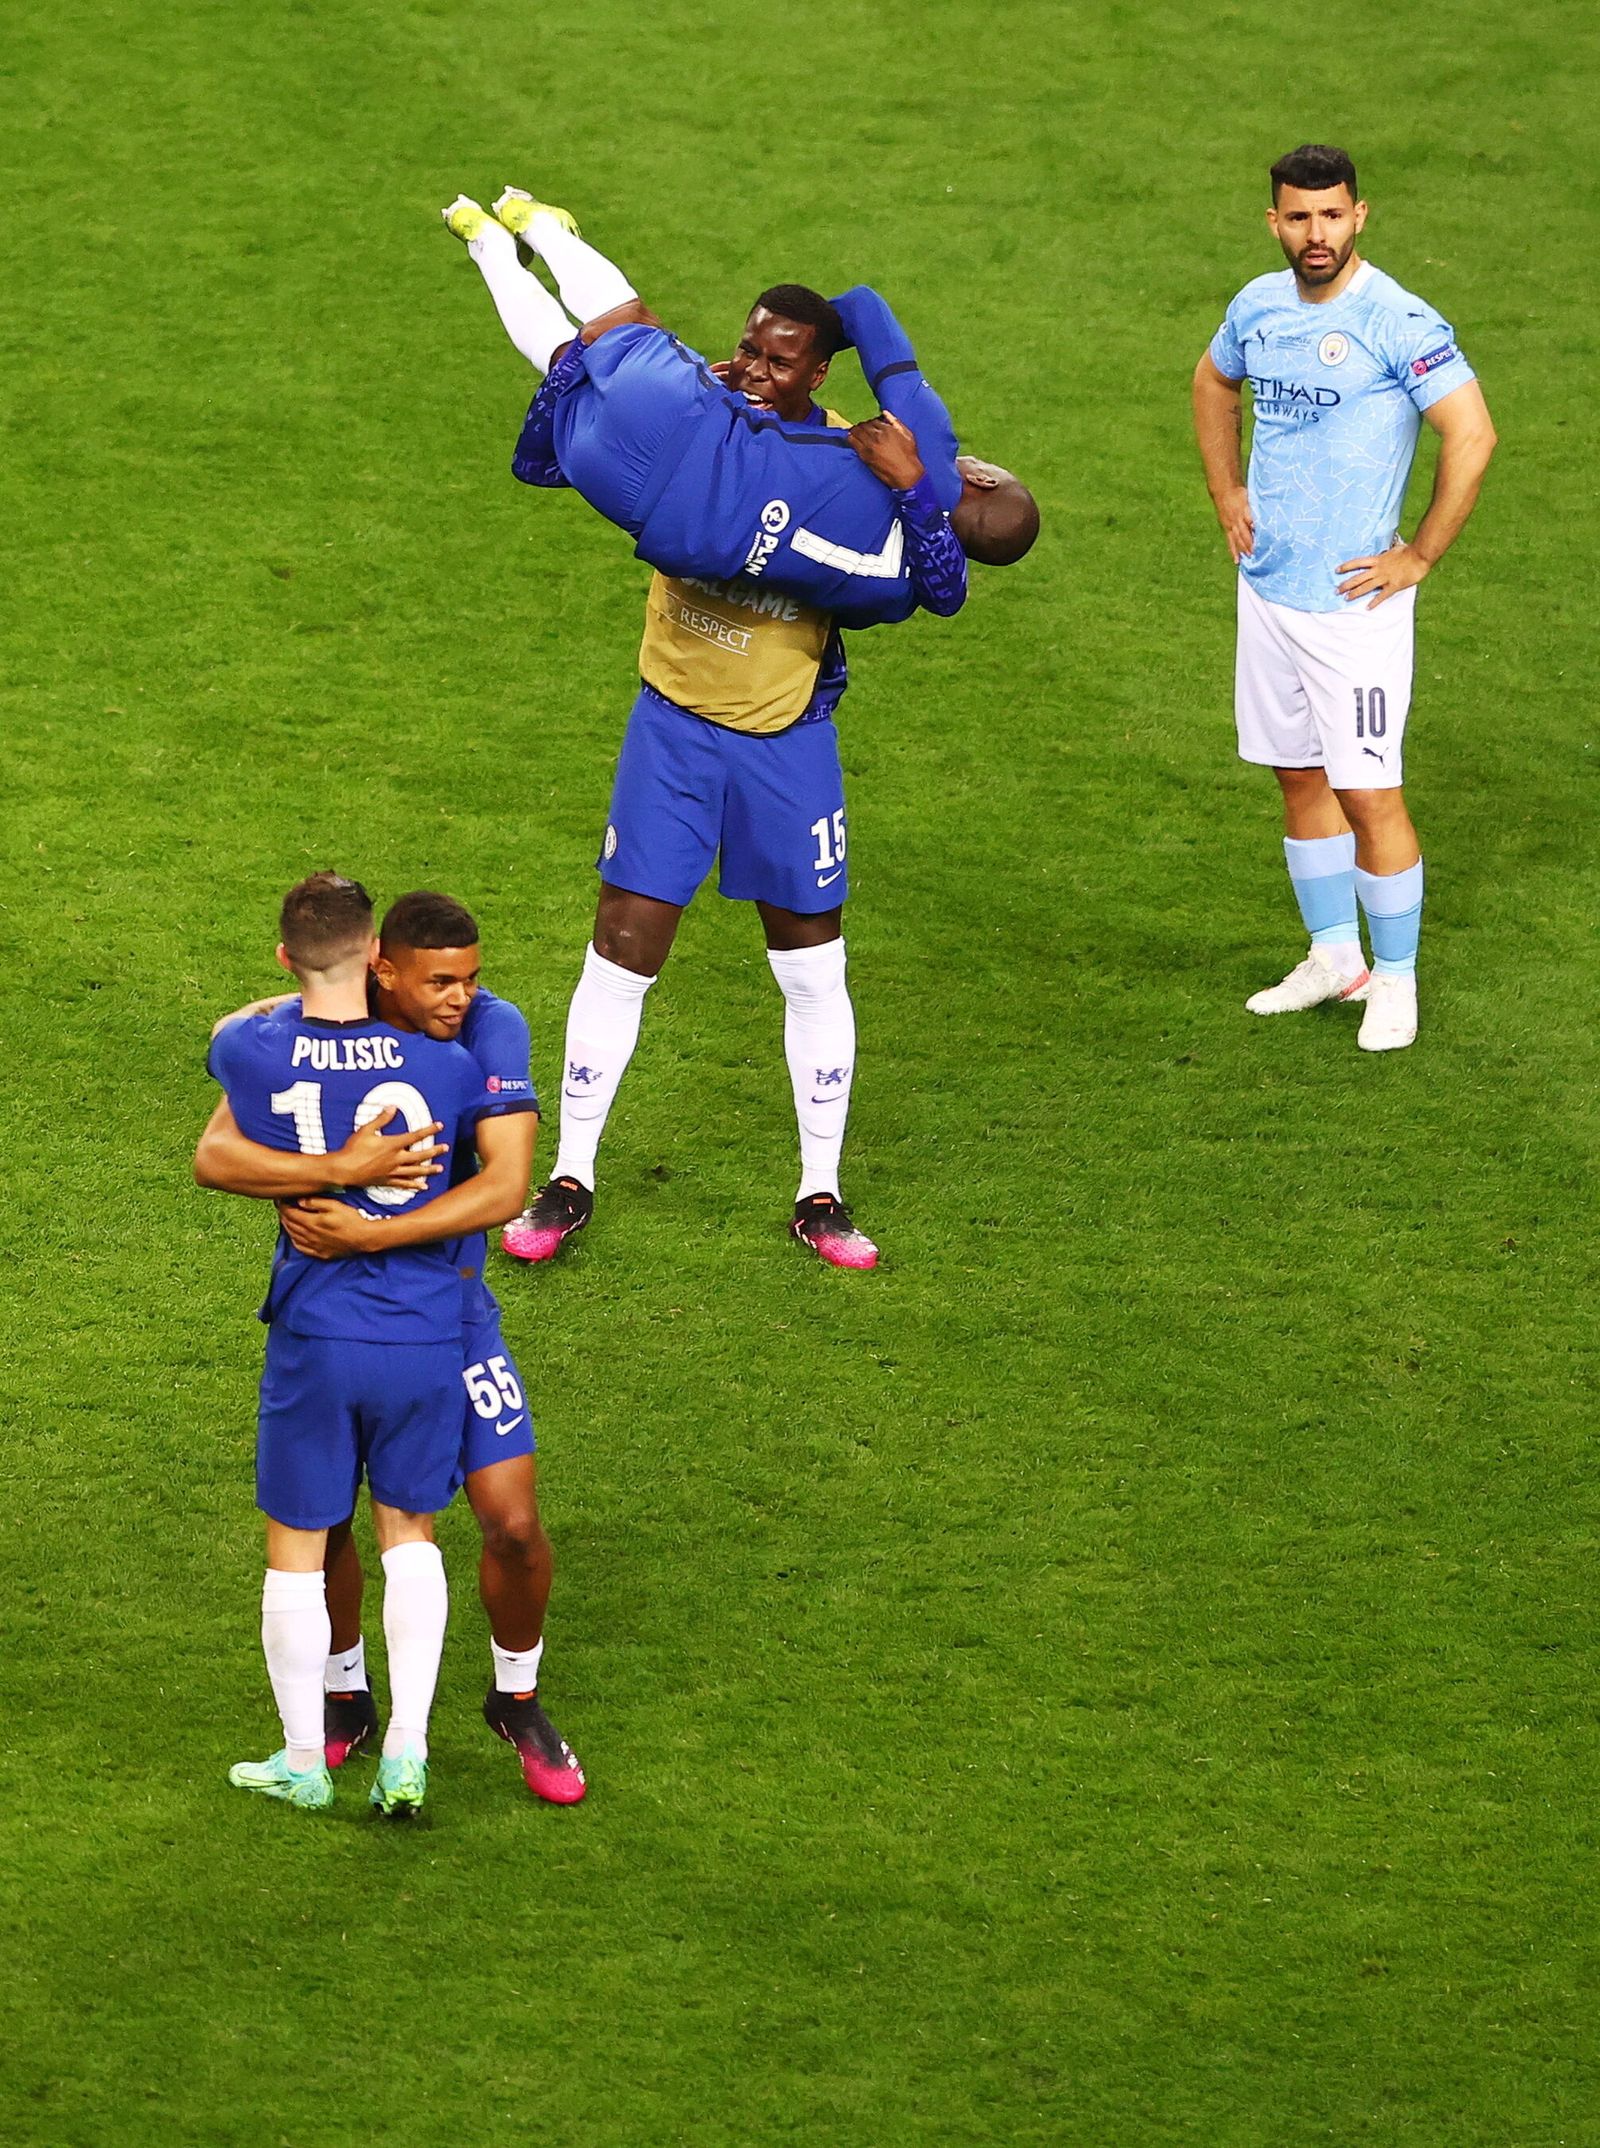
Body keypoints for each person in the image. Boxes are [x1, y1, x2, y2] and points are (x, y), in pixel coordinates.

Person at [445, 189, 1036, 1264]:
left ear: (821, 373)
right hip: (671, 731)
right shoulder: (705, 419)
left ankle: (820, 1192)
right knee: (621, 952)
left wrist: (910, 481)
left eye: (782, 361)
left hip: (783, 744)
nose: (757, 370)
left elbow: (931, 570)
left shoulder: (853, 480)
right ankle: (568, 1175)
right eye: (750, 352)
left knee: (811, 967)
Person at [200, 893, 586, 1804]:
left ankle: (515, 1697)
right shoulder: (338, 1024)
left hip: (453, 1318)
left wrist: (366, 1231)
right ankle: (345, 1700)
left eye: (470, 977)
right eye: (441, 980)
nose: (462, 997)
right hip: (379, 1319)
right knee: (335, 1523)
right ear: (381, 967)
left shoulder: (491, 1033)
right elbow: (219, 1148)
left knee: (514, 1525)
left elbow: (506, 1188)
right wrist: (339, 1172)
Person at [1192, 143, 1496, 1052]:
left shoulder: (1399, 318)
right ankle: (1335, 957)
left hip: (1353, 610)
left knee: (1369, 793)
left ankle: (1394, 981)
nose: (1314, 233)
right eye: (1298, 216)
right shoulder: (1258, 305)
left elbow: (1471, 434)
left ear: (1359, 215)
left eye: (1331, 215)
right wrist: (1226, 493)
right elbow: (1213, 382)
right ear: (1274, 220)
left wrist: (1421, 556)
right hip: (1270, 591)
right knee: (1297, 775)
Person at [442, 189, 1038, 621]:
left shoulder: (927, 448)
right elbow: (945, 595)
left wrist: (803, 337)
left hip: (684, 426)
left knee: (625, 325)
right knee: (557, 357)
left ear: (983, 479)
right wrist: (913, 501)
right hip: (631, 502)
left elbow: (863, 306)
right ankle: (487, 244)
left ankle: (534, 224)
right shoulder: (894, 595)